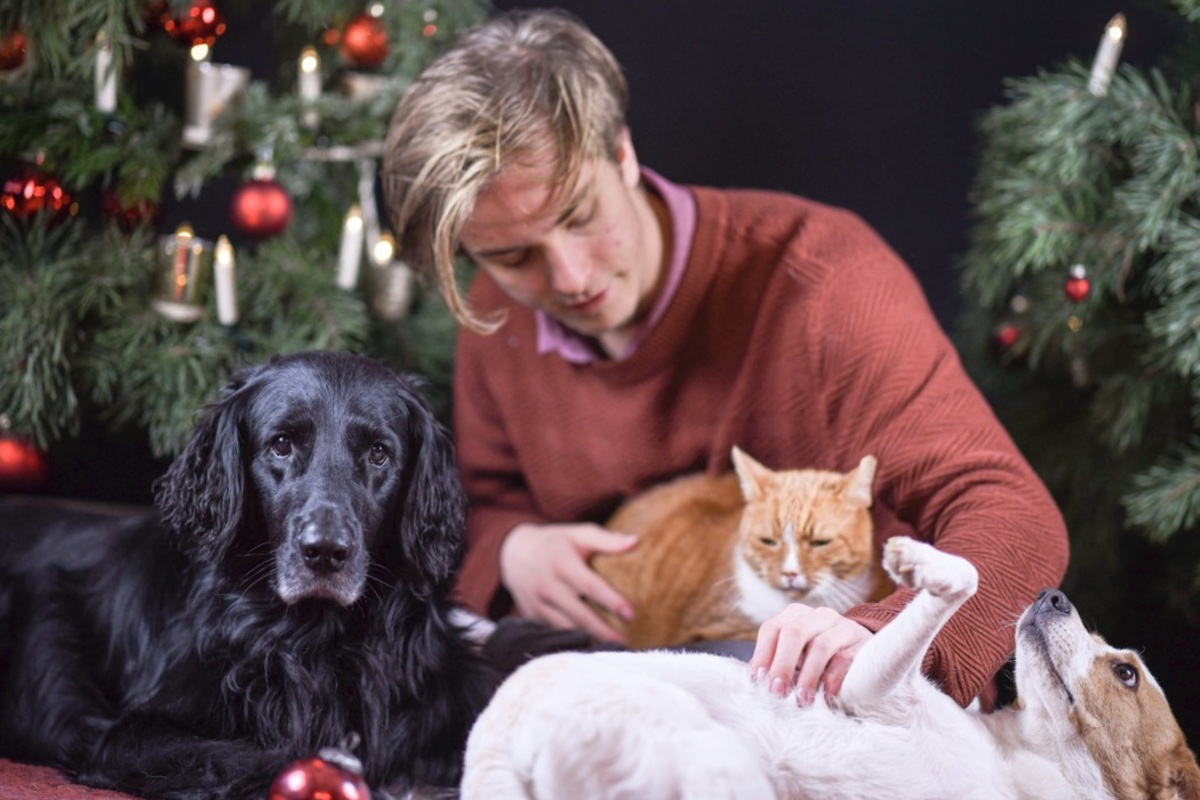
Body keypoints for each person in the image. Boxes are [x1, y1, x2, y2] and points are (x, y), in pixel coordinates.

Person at [382, 8, 1068, 709]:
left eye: (580, 215)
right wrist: (511, 548)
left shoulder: (824, 281)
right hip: (613, 691)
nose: (570, 277)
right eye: (512, 257)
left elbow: (1012, 515)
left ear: (622, 153)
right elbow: (477, 506)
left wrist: (877, 641)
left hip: (834, 703)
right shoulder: (496, 318)